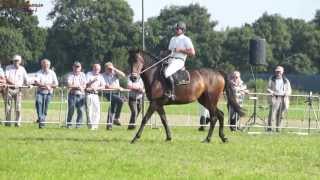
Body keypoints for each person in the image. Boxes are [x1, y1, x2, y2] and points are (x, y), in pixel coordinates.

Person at [165, 21, 195, 100]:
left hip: (179, 60)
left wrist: (181, 50)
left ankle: (171, 93)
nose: (176, 30)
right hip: (170, 59)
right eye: (176, 29)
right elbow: (169, 51)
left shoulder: (186, 39)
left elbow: (192, 53)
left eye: (178, 29)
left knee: (167, 72)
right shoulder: (172, 39)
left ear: (183, 30)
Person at [4, 55, 29, 127]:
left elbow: (26, 79)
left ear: (20, 61)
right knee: (8, 107)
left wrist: (29, 84)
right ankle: (8, 122)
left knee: (18, 107)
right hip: (9, 89)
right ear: (13, 61)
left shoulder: (22, 69)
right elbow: (6, 78)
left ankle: (17, 123)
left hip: (19, 90)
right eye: (15, 60)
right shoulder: (8, 68)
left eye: (17, 60)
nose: (16, 62)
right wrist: (13, 84)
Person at [34, 59, 59, 128]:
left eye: (47, 65)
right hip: (40, 92)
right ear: (42, 65)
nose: (46, 66)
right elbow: (36, 82)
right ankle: (41, 119)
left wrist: (49, 86)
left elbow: (56, 84)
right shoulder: (38, 73)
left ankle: (42, 122)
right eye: (44, 64)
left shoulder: (52, 73)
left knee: (45, 108)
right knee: (38, 103)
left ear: (49, 65)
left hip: (48, 93)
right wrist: (46, 86)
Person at [267, 66, 292, 132]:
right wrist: (271, 92)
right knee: (272, 114)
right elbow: (268, 88)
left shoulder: (286, 80)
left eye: (279, 71)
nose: (278, 73)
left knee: (281, 115)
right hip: (274, 98)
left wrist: (287, 93)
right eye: (277, 71)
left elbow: (289, 90)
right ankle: (270, 128)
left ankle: (278, 128)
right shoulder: (271, 79)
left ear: (282, 72)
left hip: (283, 99)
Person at [102, 62, 126, 130]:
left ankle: (109, 126)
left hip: (116, 93)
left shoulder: (115, 74)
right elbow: (107, 86)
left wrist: (114, 69)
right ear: (105, 68)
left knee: (112, 108)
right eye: (108, 69)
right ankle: (116, 118)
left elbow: (123, 75)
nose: (110, 70)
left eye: (111, 69)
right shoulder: (103, 75)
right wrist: (117, 87)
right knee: (120, 101)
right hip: (109, 93)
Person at [66, 61, 87, 128]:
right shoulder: (70, 75)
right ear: (73, 67)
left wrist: (76, 86)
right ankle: (69, 124)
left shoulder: (83, 75)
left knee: (80, 110)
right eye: (75, 66)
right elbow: (69, 85)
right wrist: (78, 87)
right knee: (71, 110)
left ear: (80, 68)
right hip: (72, 95)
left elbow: (84, 85)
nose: (77, 68)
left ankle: (78, 125)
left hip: (81, 95)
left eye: (78, 66)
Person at [85, 63, 105, 130]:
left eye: (98, 69)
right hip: (89, 94)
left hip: (96, 94)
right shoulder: (88, 74)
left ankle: (95, 126)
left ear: (100, 69)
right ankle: (90, 126)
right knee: (89, 110)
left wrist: (97, 88)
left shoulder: (100, 76)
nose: (97, 70)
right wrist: (93, 81)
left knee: (97, 110)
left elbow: (103, 86)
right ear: (93, 68)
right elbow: (86, 84)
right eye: (95, 68)